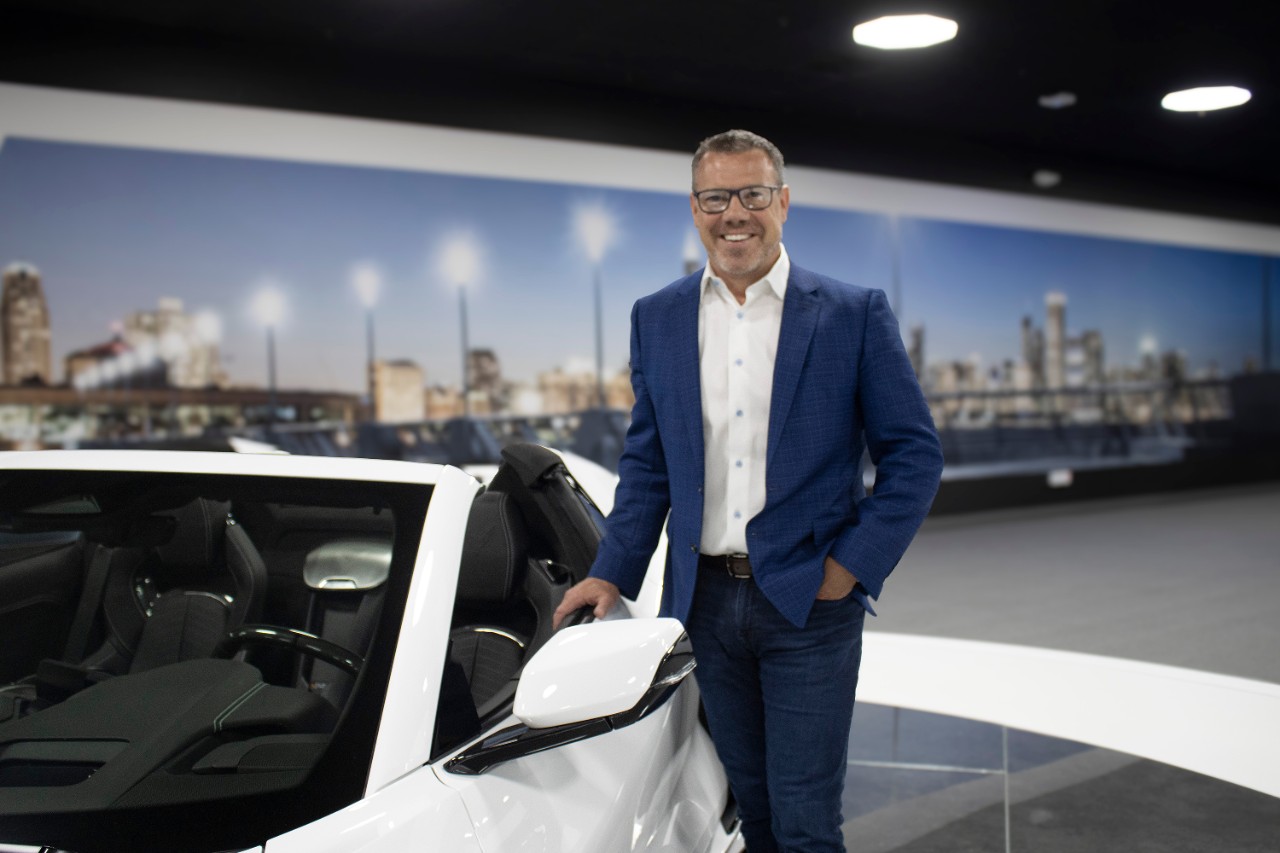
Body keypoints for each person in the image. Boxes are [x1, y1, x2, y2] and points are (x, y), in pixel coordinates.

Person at [552, 129, 943, 853]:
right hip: (703, 601)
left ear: (783, 202)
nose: (736, 212)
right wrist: (611, 570)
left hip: (807, 601)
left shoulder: (852, 314)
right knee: (750, 806)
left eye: (754, 194)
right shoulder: (658, 316)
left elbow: (914, 455)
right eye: (716, 197)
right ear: (695, 209)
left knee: (804, 819)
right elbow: (648, 463)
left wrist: (848, 567)